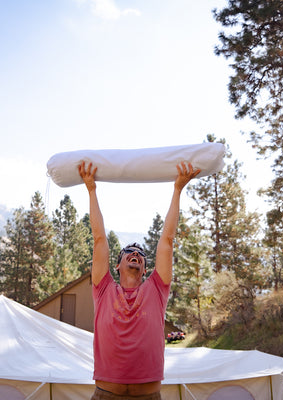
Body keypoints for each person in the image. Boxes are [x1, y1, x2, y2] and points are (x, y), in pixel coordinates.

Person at [78, 160, 201, 400]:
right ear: (117, 264)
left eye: (141, 254)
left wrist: (177, 190)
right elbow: (99, 238)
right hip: (105, 394)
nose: (136, 253)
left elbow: (167, 239)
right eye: (128, 252)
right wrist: (91, 190)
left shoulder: (157, 287)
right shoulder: (103, 288)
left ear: (145, 268)